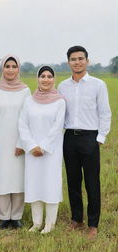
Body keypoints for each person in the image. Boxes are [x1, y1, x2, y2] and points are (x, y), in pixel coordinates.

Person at [58, 46, 111, 239]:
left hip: (90, 138)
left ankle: (93, 224)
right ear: (68, 62)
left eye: (81, 58)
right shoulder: (62, 86)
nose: (77, 62)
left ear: (87, 61)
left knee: (91, 182)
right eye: (73, 59)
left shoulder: (98, 85)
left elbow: (105, 113)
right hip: (69, 137)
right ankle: (76, 219)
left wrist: (100, 138)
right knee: (72, 181)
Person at [19, 66, 65, 234]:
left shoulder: (60, 101)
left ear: (54, 79)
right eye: (42, 76)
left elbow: (57, 127)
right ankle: (37, 222)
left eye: (49, 76)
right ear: (37, 78)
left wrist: (43, 147)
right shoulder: (29, 101)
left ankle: (49, 224)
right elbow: (22, 124)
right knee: (35, 184)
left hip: (50, 152)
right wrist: (31, 146)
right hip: (32, 152)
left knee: (50, 184)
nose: (46, 79)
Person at [0, 54, 30, 229]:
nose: (11, 70)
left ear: (18, 69)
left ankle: (16, 216)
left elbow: (27, 118)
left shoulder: (25, 90)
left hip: (18, 141)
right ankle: (4, 216)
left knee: (18, 177)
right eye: (7, 66)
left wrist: (22, 142)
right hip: (0, 140)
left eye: (14, 66)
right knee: (1, 177)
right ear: (2, 68)